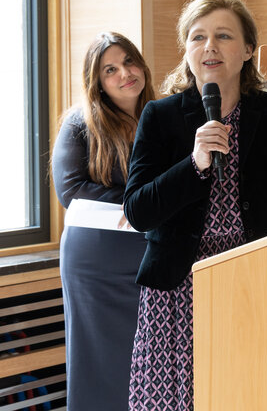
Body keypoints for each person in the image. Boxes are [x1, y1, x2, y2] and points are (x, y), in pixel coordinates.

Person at [123, 0, 267, 409]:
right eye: (198, 37)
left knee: (255, 393)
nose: (209, 46)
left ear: (248, 50)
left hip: (259, 278)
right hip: (178, 288)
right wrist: (194, 164)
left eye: (224, 36)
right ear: (186, 50)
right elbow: (138, 211)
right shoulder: (161, 117)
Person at [51, 32, 156, 410]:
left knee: (155, 362)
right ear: (96, 81)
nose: (125, 73)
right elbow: (72, 190)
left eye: (129, 61)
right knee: (99, 363)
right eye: (110, 69)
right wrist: (147, 203)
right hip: (96, 262)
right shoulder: (80, 122)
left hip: (153, 256)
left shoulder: (163, 115)